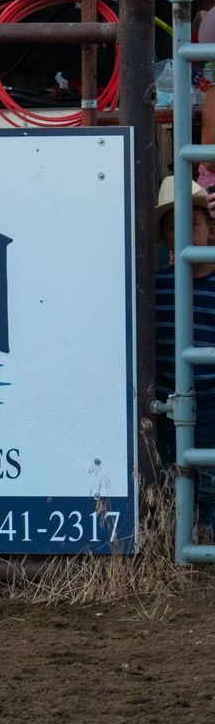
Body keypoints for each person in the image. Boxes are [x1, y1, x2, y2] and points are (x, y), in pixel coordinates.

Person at [155, 178, 215, 513]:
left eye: (192, 224)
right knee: (166, 481)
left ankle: (204, 551)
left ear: (210, 231)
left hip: (210, 404)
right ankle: (176, 545)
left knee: (208, 486)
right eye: (173, 227)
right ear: (165, 239)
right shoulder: (156, 285)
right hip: (164, 403)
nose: (183, 233)